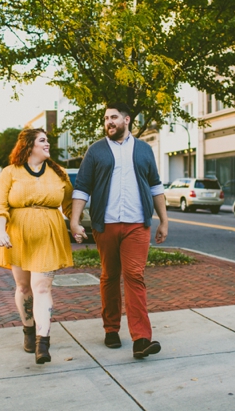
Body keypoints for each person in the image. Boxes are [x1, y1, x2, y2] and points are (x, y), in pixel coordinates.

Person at [69, 103, 169, 360]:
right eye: (105, 118)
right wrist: (75, 220)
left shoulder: (144, 150)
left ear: (126, 120)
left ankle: (141, 339)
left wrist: (164, 221)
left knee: (135, 276)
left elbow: (156, 186)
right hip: (107, 224)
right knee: (110, 275)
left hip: (138, 224)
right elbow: (82, 187)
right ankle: (111, 328)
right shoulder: (96, 151)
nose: (109, 122)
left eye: (113, 117)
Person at [0, 128, 74, 365]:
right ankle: (28, 329)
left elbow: (69, 205)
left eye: (47, 140)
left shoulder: (59, 174)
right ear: (28, 146)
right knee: (23, 287)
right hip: (17, 236)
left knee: (41, 288)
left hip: (49, 235)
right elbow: (0, 207)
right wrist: (0, 231)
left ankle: (42, 342)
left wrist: (77, 225)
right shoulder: (10, 173)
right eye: (42, 140)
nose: (47, 144)